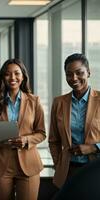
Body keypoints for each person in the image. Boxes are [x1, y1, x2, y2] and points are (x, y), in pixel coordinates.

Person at [0, 58, 46, 200]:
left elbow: (42, 133)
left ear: (23, 76)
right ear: (3, 77)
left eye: (17, 73)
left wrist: (26, 139)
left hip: (28, 164)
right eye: (7, 74)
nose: (12, 77)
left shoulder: (34, 101)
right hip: (1, 164)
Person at [49, 53, 100, 189]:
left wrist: (94, 147)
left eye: (79, 73)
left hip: (95, 168)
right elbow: (53, 140)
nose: (74, 78)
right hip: (68, 170)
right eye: (69, 74)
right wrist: (58, 164)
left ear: (88, 72)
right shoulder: (59, 102)